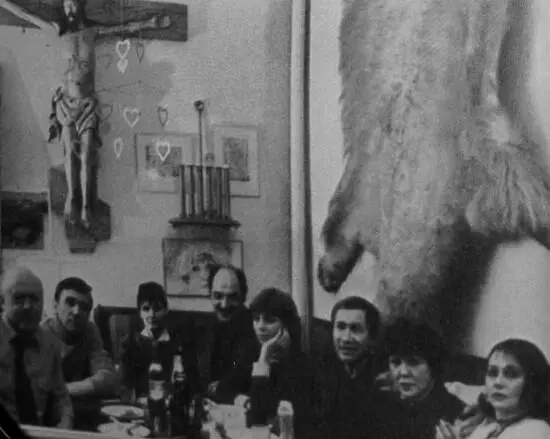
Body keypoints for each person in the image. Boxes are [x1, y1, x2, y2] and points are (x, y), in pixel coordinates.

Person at [0, 0, 171, 228]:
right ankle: (73, 198)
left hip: (88, 104)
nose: (70, 9)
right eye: (66, 5)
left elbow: (122, 28)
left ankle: (87, 206)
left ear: (81, 5)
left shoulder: (92, 31)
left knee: (88, 155)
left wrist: (149, 23)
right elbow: (26, 14)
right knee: (70, 154)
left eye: (73, 4)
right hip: (66, 103)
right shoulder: (57, 30)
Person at [218, 288, 322, 439]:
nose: (260, 326)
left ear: (287, 325)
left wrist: (263, 365)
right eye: (256, 319)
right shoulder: (252, 354)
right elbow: (223, 389)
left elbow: (261, 417)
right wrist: (246, 402)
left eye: (270, 320)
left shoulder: (302, 366)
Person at [41, 277, 118, 431]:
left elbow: (107, 377)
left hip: (83, 416)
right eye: (70, 303)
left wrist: (63, 389)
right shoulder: (41, 335)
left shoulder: (90, 331)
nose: (76, 312)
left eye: (84, 307)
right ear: (55, 305)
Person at [0, 266, 73, 428]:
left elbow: (61, 397)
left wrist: (66, 422)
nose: (28, 305)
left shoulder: (50, 344)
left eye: (35, 299)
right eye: (19, 298)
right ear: (2, 302)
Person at [437, 338, 550, 439]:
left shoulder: (535, 430)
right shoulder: (486, 425)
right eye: (492, 373)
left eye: (511, 374)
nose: (498, 382)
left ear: (532, 383)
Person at [315, 296, 388, 439]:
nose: (346, 338)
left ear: (371, 337)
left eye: (355, 329)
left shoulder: (382, 379)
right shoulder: (322, 370)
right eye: (340, 327)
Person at [379, 318, 465, 439]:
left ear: (433, 366)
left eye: (413, 362)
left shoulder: (455, 414)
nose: (403, 372)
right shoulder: (385, 406)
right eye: (396, 362)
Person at [119, 282, 198, 401]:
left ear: (166, 310)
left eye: (157, 309)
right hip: (141, 404)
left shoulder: (180, 342)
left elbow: (191, 381)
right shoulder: (129, 344)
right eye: (146, 309)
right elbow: (125, 384)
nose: (152, 315)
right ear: (140, 312)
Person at [199, 264, 258, 397]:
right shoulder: (202, 329)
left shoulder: (257, 328)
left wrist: (224, 387)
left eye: (232, 297)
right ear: (210, 295)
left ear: (243, 297)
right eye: (218, 296)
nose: (224, 304)